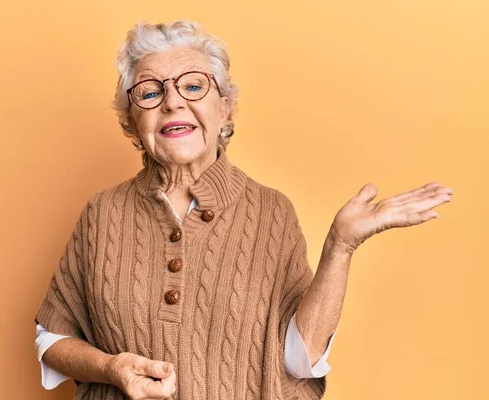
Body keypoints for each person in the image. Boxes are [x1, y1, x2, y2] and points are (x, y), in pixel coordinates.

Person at [33, 20, 453, 400]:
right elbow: (52, 339)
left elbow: (297, 360)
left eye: (193, 85)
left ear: (225, 108)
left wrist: (339, 247)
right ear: (131, 122)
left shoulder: (271, 212)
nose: (173, 102)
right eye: (150, 91)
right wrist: (111, 367)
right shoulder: (101, 213)